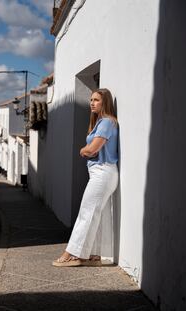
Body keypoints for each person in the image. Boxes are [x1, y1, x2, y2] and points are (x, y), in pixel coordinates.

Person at [53, 88, 119, 267]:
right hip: (104, 173)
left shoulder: (106, 122)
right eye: (91, 99)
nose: (92, 102)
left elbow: (92, 149)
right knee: (98, 213)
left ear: (104, 102)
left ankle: (72, 254)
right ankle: (93, 255)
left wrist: (83, 150)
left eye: (96, 100)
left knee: (86, 212)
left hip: (102, 172)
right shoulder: (103, 122)